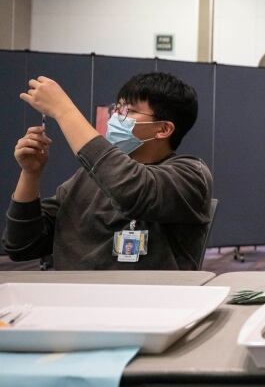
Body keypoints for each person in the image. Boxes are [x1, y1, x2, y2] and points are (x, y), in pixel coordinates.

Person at [2, 72, 213, 270]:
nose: (115, 118)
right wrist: (30, 174)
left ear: (163, 129)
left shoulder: (190, 176)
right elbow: (21, 245)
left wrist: (64, 111)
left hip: (146, 303)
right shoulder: (87, 178)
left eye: (128, 111)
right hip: (73, 300)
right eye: (117, 108)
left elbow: (131, 189)